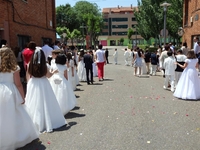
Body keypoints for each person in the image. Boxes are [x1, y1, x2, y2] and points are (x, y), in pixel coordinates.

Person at [0, 47, 39, 150]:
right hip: (10, 91)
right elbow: (18, 84)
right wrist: (22, 97)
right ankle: (17, 136)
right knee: (14, 113)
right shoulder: (14, 67)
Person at [25, 47, 66, 133]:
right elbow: (48, 76)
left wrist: (29, 84)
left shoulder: (29, 65)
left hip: (33, 83)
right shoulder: (45, 65)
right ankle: (46, 121)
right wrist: (53, 72)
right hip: (43, 83)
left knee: (33, 102)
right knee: (45, 102)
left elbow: (28, 76)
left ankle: (33, 121)